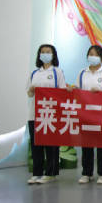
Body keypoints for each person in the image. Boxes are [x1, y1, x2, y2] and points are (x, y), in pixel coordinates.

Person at [74, 45, 102, 184]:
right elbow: (77, 91)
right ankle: (87, 173)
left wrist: (100, 93)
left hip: (101, 113)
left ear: (101, 57)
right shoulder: (82, 73)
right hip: (86, 113)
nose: (93, 57)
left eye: (96, 54)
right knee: (86, 144)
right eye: (90, 54)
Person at [26, 44, 66, 185]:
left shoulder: (57, 72)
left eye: (48, 52)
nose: (45, 54)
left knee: (51, 144)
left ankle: (51, 173)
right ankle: (37, 173)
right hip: (34, 114)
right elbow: (29, 93)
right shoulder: (34, 73)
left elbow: (62, 92)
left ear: (53, 55)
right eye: (42, 52)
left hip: (51, 114)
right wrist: (32, 89)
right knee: (36, 144)